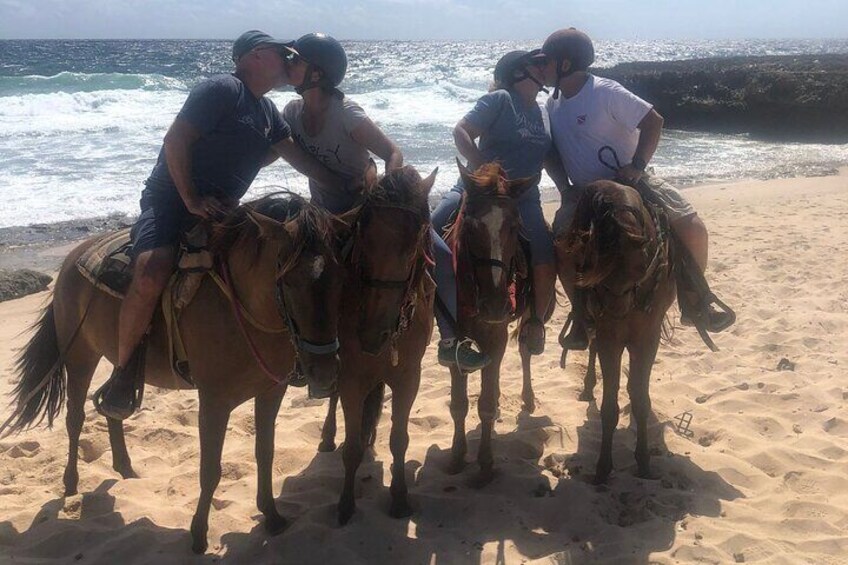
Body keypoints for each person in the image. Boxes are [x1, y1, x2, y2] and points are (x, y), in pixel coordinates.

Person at [97, 30, 344, 420]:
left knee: (275, 266)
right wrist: (191, 199)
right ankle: (124, 372)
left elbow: (303, 162)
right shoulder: (222, 89)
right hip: (170, 201)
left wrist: (348, 186)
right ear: (257, 55)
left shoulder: (268, 114)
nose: (289, 60)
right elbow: (175, 141)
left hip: (223, 210)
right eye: (284, 53)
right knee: (151, 271)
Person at [540, 28, 735, 349]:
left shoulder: (605, 91)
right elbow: (554, 152)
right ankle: (580, 314)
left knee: (692, 227)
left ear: (564, 64)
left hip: (632, 181)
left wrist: (637, 166)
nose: (543, 68)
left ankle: (696, 300)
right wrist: (565, 187)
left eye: (546, 61)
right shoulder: (552, 104)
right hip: (585, 192)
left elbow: (653, 121)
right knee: (562, 244)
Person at [430, 49, 557, 366]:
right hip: (477, 190)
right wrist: (480, 168)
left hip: (522, 197)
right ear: (518, 72)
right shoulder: (500, 99)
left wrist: (567, 186)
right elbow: (461, 131)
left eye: (545, 63)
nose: (544, 69)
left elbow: (547, 157)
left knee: (543, 253)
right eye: (537, 64)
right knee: (427, 229)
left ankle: (536, 323)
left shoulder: (543, 111)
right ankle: (436, 323)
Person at [281, 33, 402, 213]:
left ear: (315, 74)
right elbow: (273, 150)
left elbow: (393, 153)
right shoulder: (292, 113)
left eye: (296, 60)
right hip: (321, 212)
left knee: (429, 240)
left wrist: (389, 201)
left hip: (361, 211)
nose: (288, 63)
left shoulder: (346, 114)